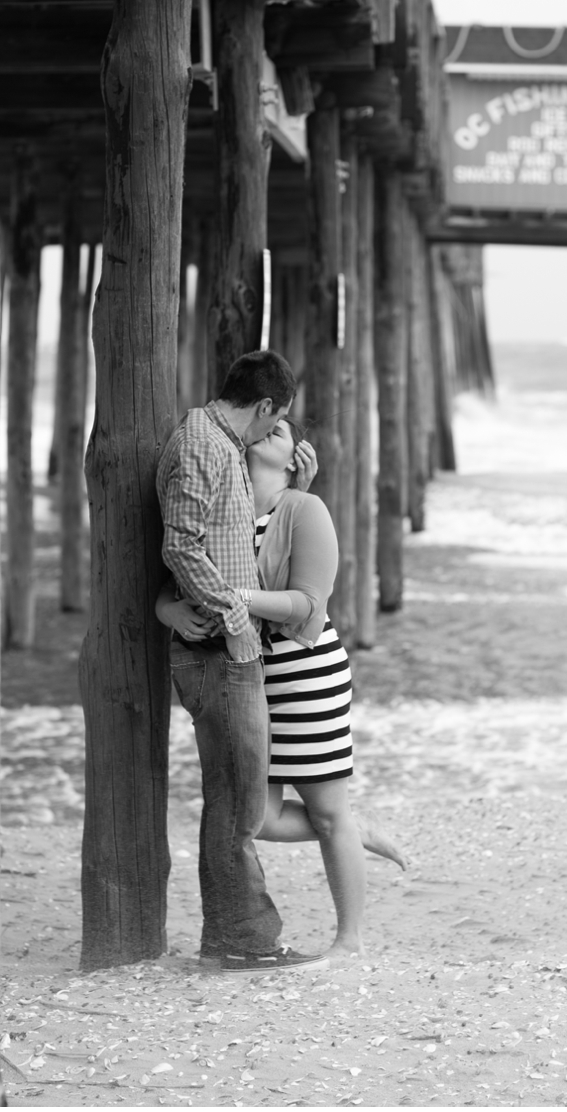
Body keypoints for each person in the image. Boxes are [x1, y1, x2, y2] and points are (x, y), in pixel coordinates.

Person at [157, 413, 406, 960]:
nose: (274, 428)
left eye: (286, 430)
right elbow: (175, 582)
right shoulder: (225, 508)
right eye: (268, 421)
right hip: (249, 676)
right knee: (258, 817)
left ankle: (349, 942)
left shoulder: (303, 509)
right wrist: (171, 610)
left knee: (324, 807)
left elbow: (308, 610)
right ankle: (354, 829)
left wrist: (233, 598)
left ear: (296, 456)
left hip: (306, 671)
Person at [155, 350, 327, 974]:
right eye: (276, 419)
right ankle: (244, 940)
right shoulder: (203, 444)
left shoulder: (219, 444)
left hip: (225, 650)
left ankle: (236, 935)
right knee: (236, 802)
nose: (272, 430)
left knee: (237, 797)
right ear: (264, 407)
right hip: (218, 653)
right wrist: (233, 620)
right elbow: (181, 546)